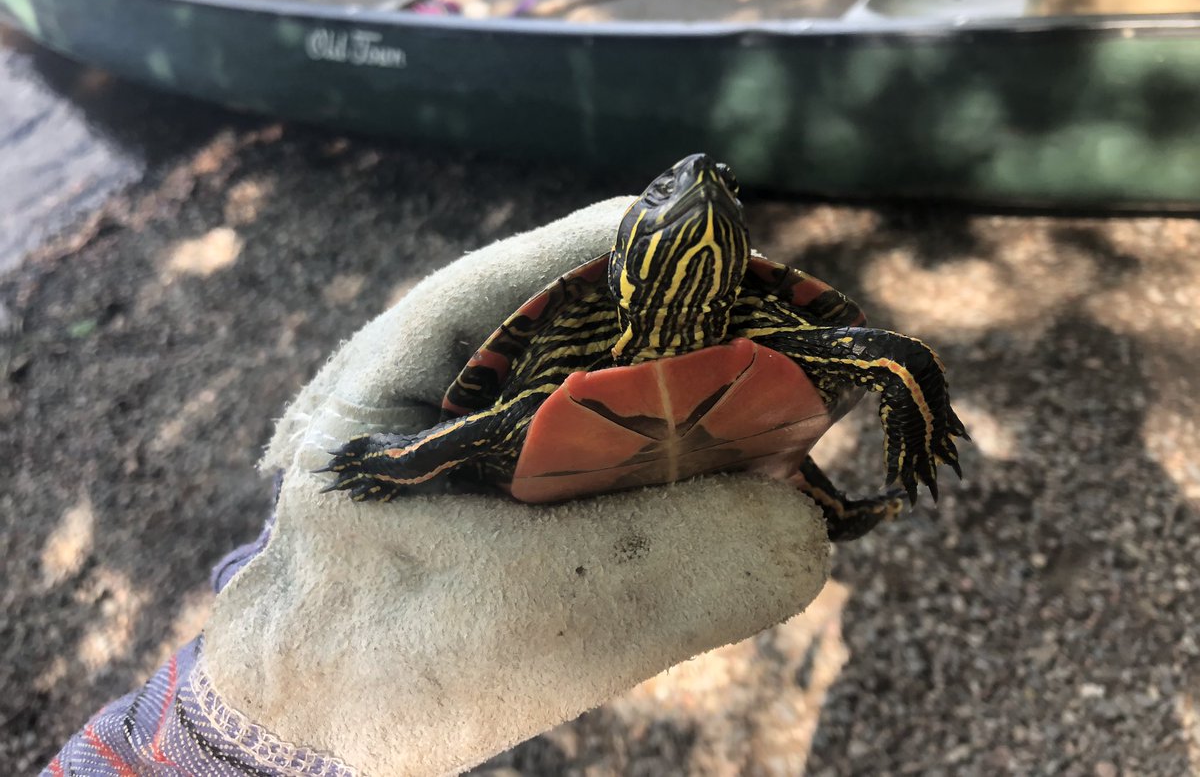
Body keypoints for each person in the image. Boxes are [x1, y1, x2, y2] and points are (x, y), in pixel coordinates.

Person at [45, 197, 829, 776]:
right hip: (525, 456)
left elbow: (865, 360)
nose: (702, 192)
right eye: (668, 208)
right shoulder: (587, 329)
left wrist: (216, 739)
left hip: (726, 445)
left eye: (713, 202)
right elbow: (510, 416)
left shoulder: (754, 321)